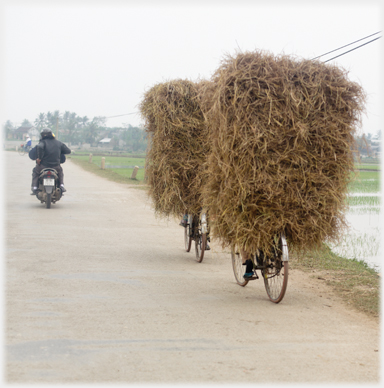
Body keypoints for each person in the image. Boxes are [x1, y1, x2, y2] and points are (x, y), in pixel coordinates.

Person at [31, 128, 71, 194]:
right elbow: (68, 151)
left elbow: (40, 147)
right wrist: (60, 151)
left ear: (42, 135)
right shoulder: (59, 143)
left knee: (35, 171)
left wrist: (39, 158)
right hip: (56, 166)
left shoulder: (42, 142)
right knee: (60, 172)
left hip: (43, 166)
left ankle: (35, 187)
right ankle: (61, 185)